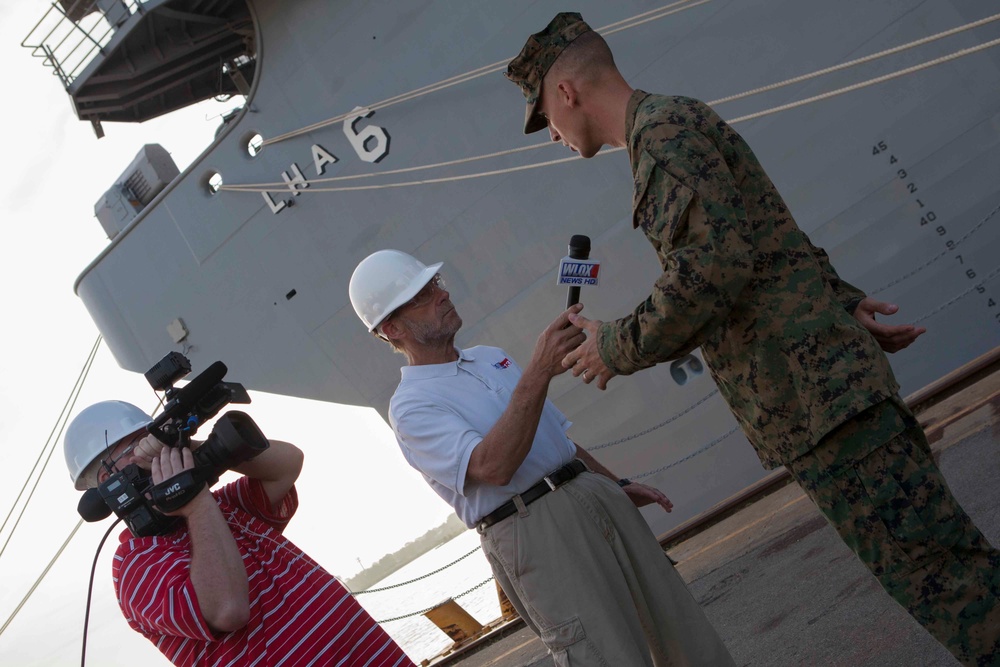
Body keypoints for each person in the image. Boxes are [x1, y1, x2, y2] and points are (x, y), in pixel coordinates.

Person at [505, 12, 999, 666]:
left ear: (566, 93)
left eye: (546, 118)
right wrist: (841, 302)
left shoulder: (661, 140)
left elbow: (710, 271)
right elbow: (769, 234)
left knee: (945, 581)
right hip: (826, 391)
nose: (555, 138)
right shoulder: (680, 120)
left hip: (817, 402)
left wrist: (614, 346)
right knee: (945, 563)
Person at [349, 249, 735, 667]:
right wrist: (538, 368)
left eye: (436, 285)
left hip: (587, 492)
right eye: (423, 295)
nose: (441, 295)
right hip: (530, 527)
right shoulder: (410, 406)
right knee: (603, 655)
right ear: (391, 328)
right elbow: (492, 468)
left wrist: (615, 485)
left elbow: (557, 440)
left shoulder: (488, 357)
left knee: (679, 626)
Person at [64, 400, 413, 667]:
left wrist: (192, 447)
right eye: (132, 451)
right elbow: (228, 610)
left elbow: (287, 464)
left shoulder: (220, 507)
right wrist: (195, 501)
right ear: (106, 484)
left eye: (147, 441)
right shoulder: (134, 565)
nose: (151, 455)